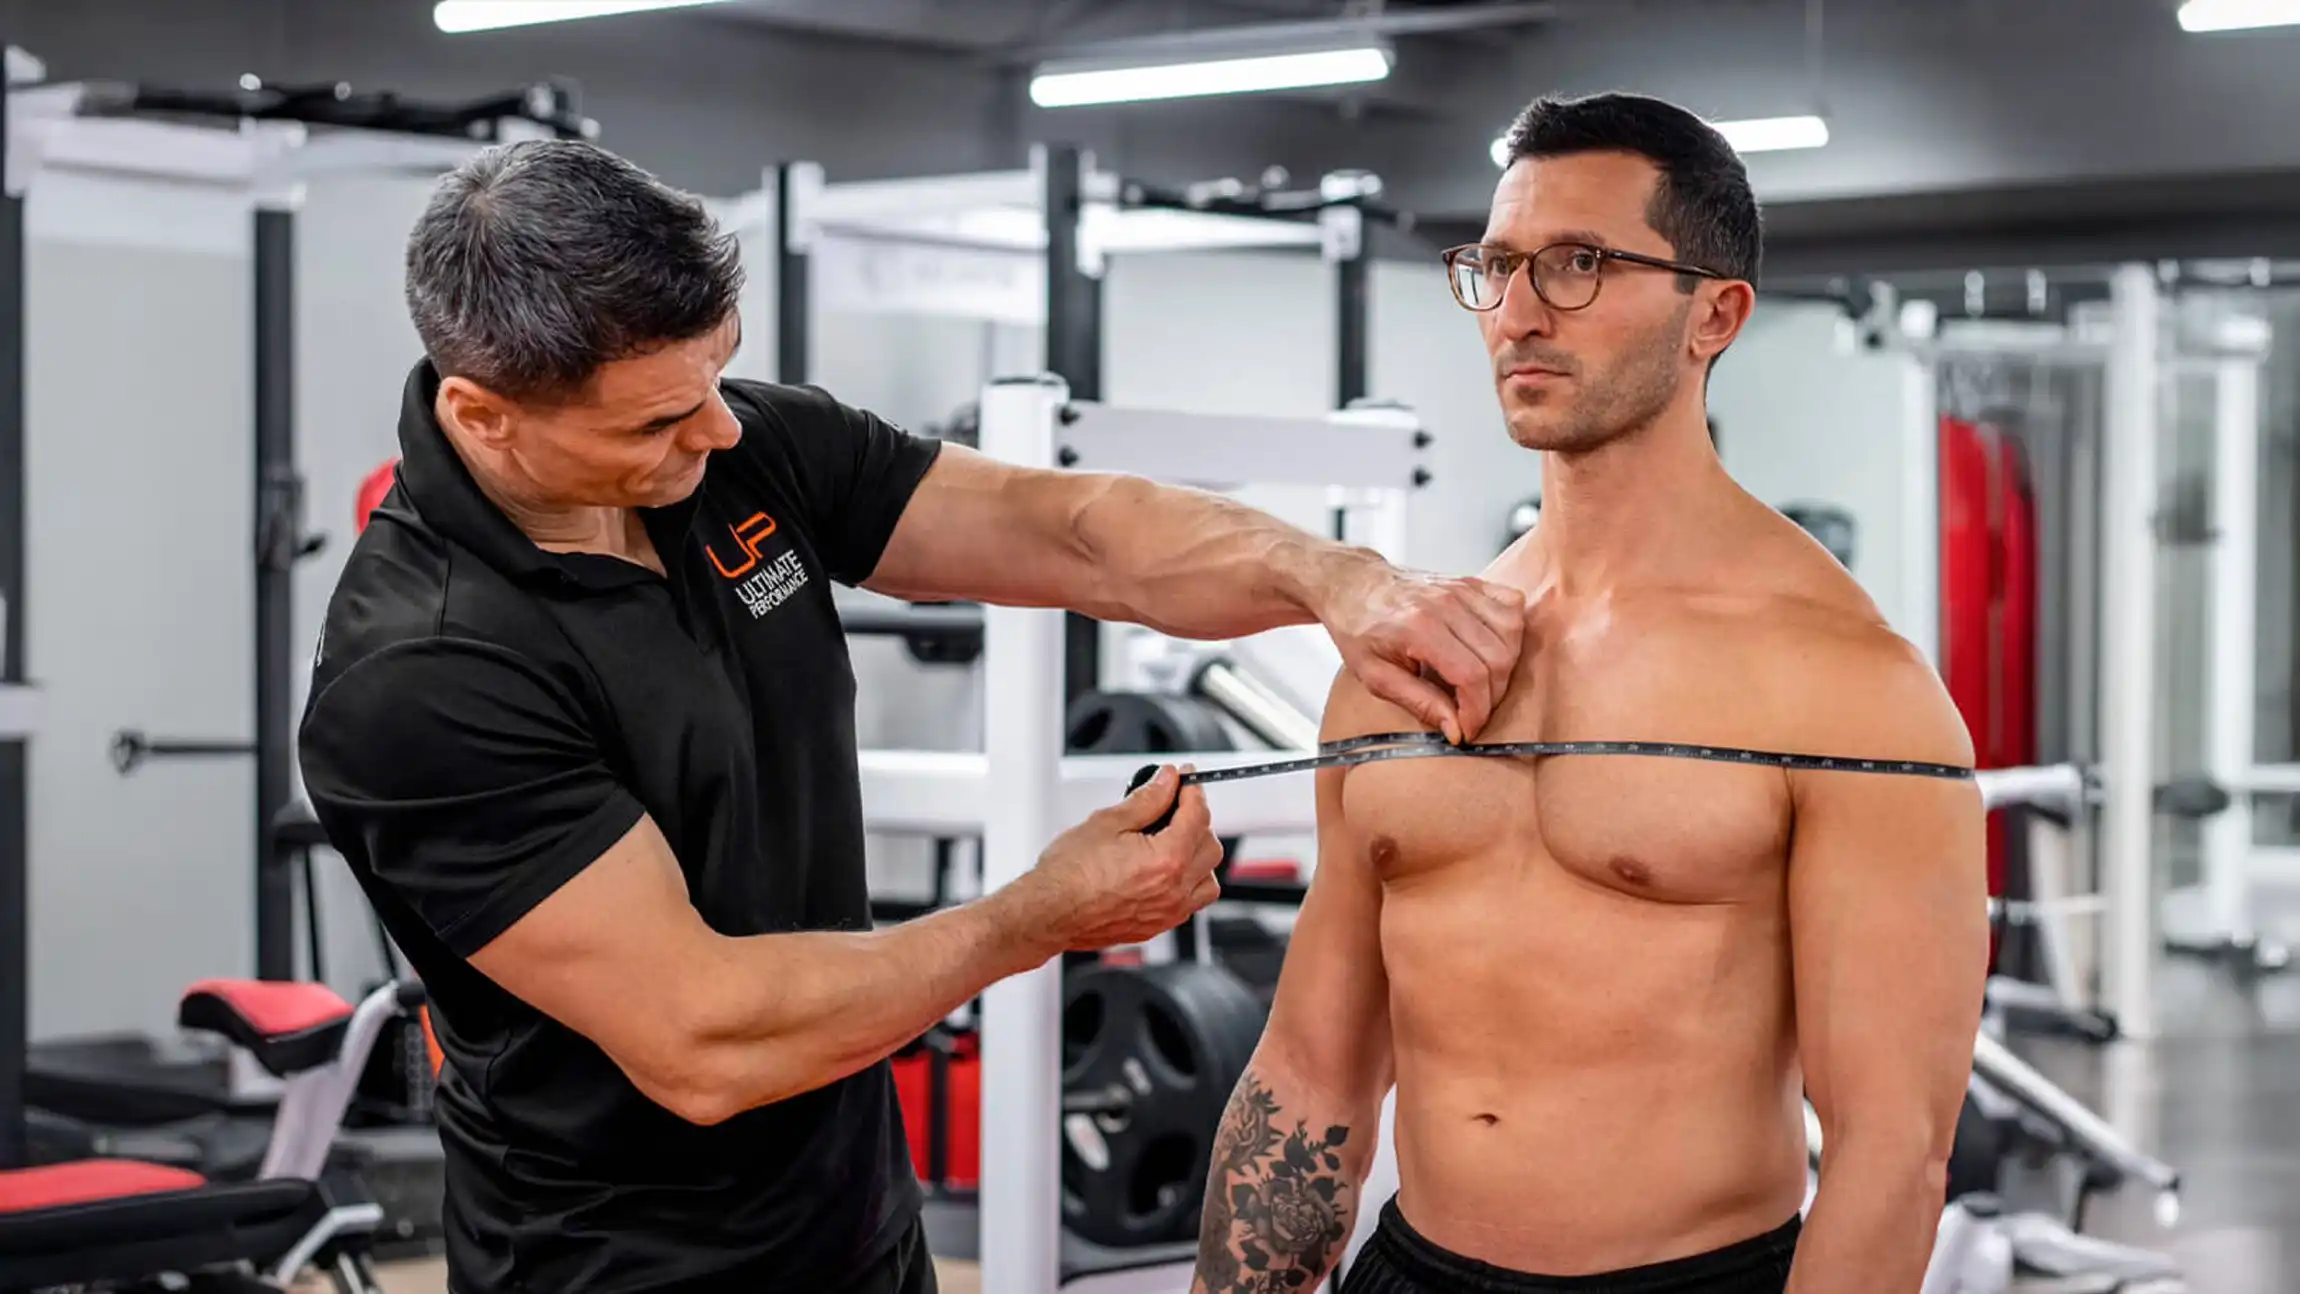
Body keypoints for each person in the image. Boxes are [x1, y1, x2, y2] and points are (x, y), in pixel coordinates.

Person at [295, 139, 1529, 1294]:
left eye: (716, 377)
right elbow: (702, 1039)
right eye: (659, 420)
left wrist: (1331, 577)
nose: (717, 428)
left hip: (857, 1222)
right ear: (483, 415)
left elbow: (1072, 532)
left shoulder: (744, 450)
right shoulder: (421, 673)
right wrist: (1035, 917)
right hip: (622, 1262)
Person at [1189, 93, 1988, 1294]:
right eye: (1496, 266)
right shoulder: (1408, 660)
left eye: (1578, 264)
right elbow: (1311, 1064)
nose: (1516, 313)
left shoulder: (1844, 686)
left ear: (1714, 314)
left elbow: (1891, 1155)